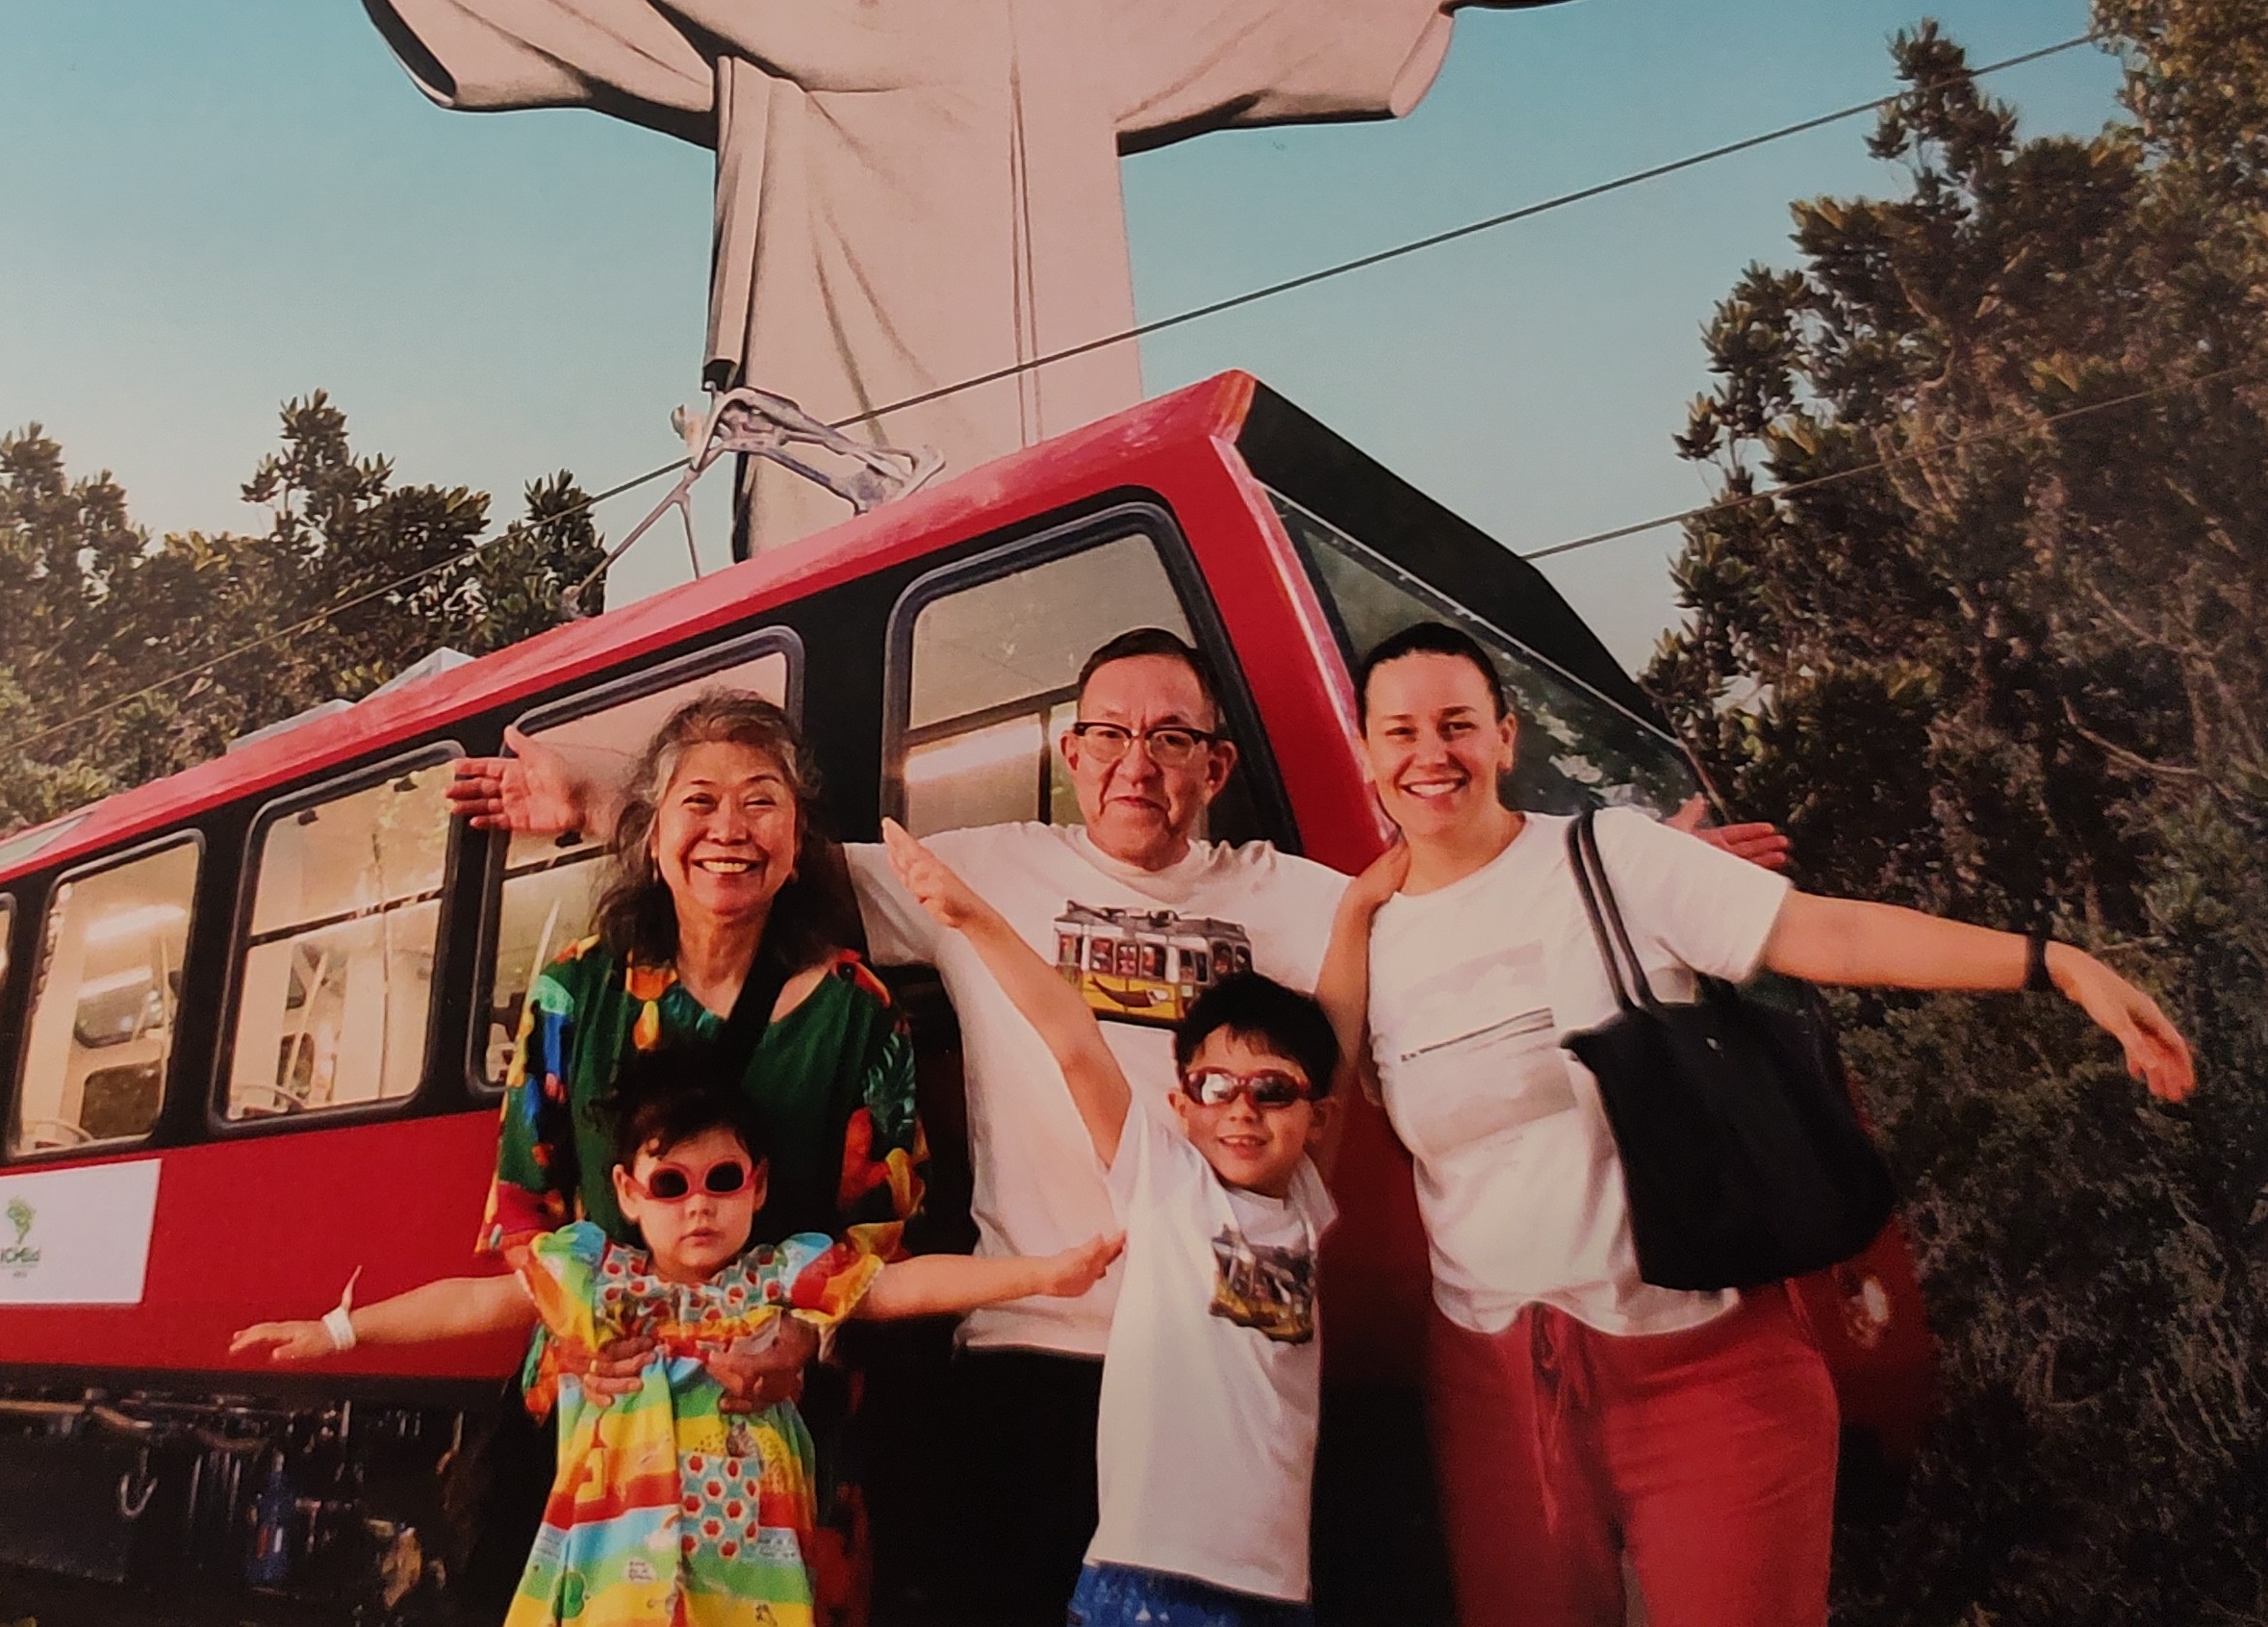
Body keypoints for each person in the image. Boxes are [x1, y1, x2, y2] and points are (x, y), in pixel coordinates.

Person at [452, 625, 1783, 1623]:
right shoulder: (985, 869)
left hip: (1215, 1372)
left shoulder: (1295, 893)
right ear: (1071, 753)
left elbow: (1459, 896)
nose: (1136, 762)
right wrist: (590, 806)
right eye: (1108, 734)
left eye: (1171, 739)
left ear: (1213, 765)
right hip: (1031, 1357)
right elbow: (748, 846)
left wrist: (1620, 882)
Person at [153, 0, 1633, 552]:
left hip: (1014, 342)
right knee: (828, 592)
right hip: (823, 350)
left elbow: (1242, 14)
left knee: (1025, 576)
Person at [1319, 620, 2198, 1627]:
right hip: (1498, 1399)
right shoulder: (1364, 936)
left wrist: (2057, 966)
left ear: (1504, 738)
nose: (1430, 755)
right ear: (1365, 750)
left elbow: (1828, 933)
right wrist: (1348, 915)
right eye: (1399, 732)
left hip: (1700, 1370)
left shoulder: (1610, 858)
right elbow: (1312, 1088)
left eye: (1457, 724)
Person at [232, 1053, 1118, 1627]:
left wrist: (1041, 1274)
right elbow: (473, 1302)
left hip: (749, 1591)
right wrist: (338, 1329)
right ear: (628, 1190)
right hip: (607, 1584)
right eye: (671, 1183)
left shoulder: (781, 1277)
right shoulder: (594, 1278)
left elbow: (897, 1287)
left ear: (757, 1185)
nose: (698, 1204)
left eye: (721, 1179)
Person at [472, 691, 925, 1614]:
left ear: (796, 843)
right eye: (700, 801)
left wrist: (806, 1336)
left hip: (775, 1441)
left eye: (761, 800)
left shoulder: (858, 1013)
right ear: (651, 835)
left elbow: (883, 1232)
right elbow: (523, 1207)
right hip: (595, 1435)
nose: (730, 828)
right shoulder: (575, 990)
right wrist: (575, 1334)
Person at [884, 816, 1344, 1627]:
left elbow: (1341, 1020)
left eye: (1271, 1090)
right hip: (1150, 1576)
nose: (1242, 1109)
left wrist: (1365, 905)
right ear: (1180, 1103)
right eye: (1214, 1087)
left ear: (1314, 1115)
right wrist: (974, 918)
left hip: (1276, 1587)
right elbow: (1071, 1041)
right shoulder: (1165, 1184)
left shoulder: (1304, 1203)